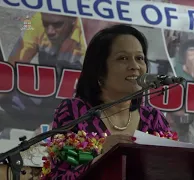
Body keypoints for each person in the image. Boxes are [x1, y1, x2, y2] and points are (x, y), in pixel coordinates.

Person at [44, 24, 173, 179]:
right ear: (99, 69)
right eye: (123, 58)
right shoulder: (74, 112)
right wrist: (102, 155)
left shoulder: (153, 119)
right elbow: (59, 176)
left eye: (139, 58)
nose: (135, 66)